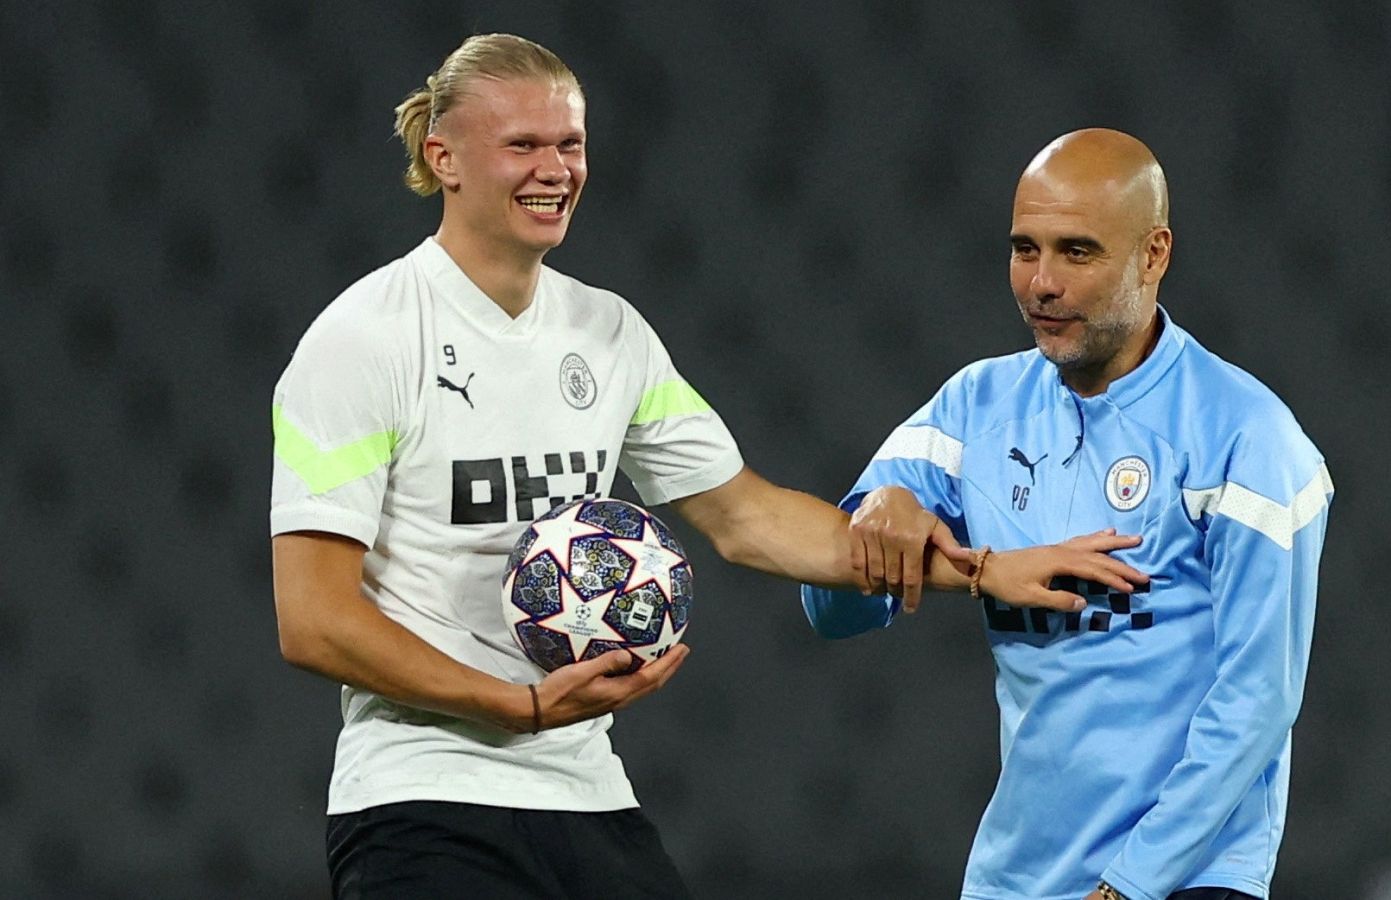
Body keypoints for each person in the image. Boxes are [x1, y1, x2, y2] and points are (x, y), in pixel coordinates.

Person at [270, 35, 1139, 899]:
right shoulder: (366, 340)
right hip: (420, 798)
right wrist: (516, 706)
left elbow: (748, 517)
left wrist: (985, 569)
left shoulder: (608, 334)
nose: (555, 169)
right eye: (522, 145)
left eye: (569, 143)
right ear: (443, 156)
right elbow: (313, 618)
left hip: (582, 790)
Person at [802, 129, 1334, 900]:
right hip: (1015, 880)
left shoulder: (1250, 441)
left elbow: (1258, 700)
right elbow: (830, 613)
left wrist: (1129, 886)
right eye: (1025, 249)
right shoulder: (971, 410)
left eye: (1076, 253)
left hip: (1187, 879)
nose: (1040, 284)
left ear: (1154, 254)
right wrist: (876, 518)